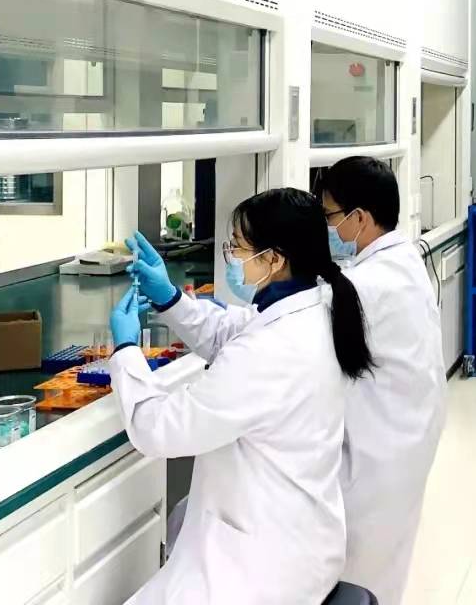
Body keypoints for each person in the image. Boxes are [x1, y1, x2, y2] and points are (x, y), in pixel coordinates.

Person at [107, 188, 373, 604]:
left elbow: (159, 430)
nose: (230, 256)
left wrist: (125, 352)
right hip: (302, 539)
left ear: (274, 259)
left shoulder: (270, 351)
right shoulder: (316, 307)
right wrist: (169, 298)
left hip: (263, 570)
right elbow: (230, 331)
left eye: (237, 247)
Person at [319, 156, 447, 605]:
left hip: (380, 454)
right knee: (382, 571)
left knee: (359, 575)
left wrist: (180, 306)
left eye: (330, 216)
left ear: (359, 218)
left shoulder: (369, 284)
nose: (328, 227)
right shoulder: (402, 259)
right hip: (406, 438)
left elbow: (296, 324)